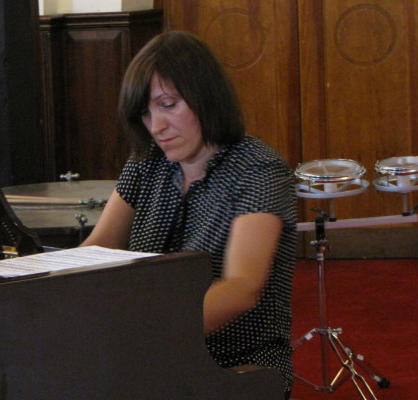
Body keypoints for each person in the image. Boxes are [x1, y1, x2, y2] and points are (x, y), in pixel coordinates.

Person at [81, 31, 297, 396]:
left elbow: (241, 288)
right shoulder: (146, 163)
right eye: (146, 112)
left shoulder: (258, 170)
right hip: (150, 356)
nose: (156, 126)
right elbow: (99, 247)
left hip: (235, 362)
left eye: (168, 105)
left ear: (205, 96)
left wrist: (145, 335)